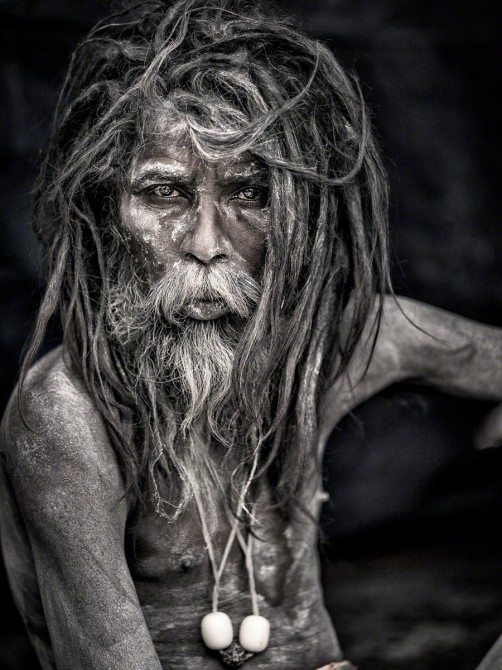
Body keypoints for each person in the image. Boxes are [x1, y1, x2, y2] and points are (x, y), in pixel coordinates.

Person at [0, 1, 501, 668]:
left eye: (247, 194)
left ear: (294, 212)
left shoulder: (330, 343)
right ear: (106, 208)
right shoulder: (66, 418)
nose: (207, 245)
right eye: (165, 195)